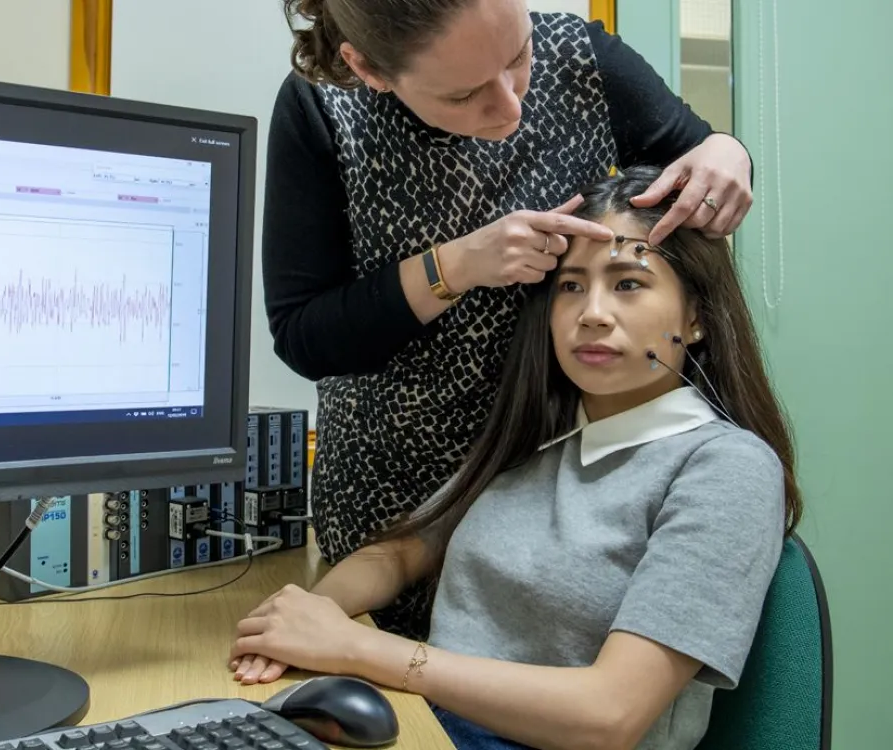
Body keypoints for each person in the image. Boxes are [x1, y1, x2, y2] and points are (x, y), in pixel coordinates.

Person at [232, 166, 799, 750]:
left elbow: (610, 716)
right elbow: (403, 551)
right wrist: (296, 619)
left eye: (628, 284)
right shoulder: (542, 439)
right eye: (570, 287)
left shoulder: (726, 468)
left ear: (697, 317)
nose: (592, 313)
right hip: (428, 725)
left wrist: (354, 648)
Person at [265, 0, 756, 641]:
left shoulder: (584, 59)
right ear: (370, 70)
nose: (510, 107)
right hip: (397, 504)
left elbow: (699, 180)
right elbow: (306, 336)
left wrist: (728, 151)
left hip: (558, 471)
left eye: (519, 58)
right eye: (466, 93)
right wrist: (457, 264)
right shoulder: (323, 108)